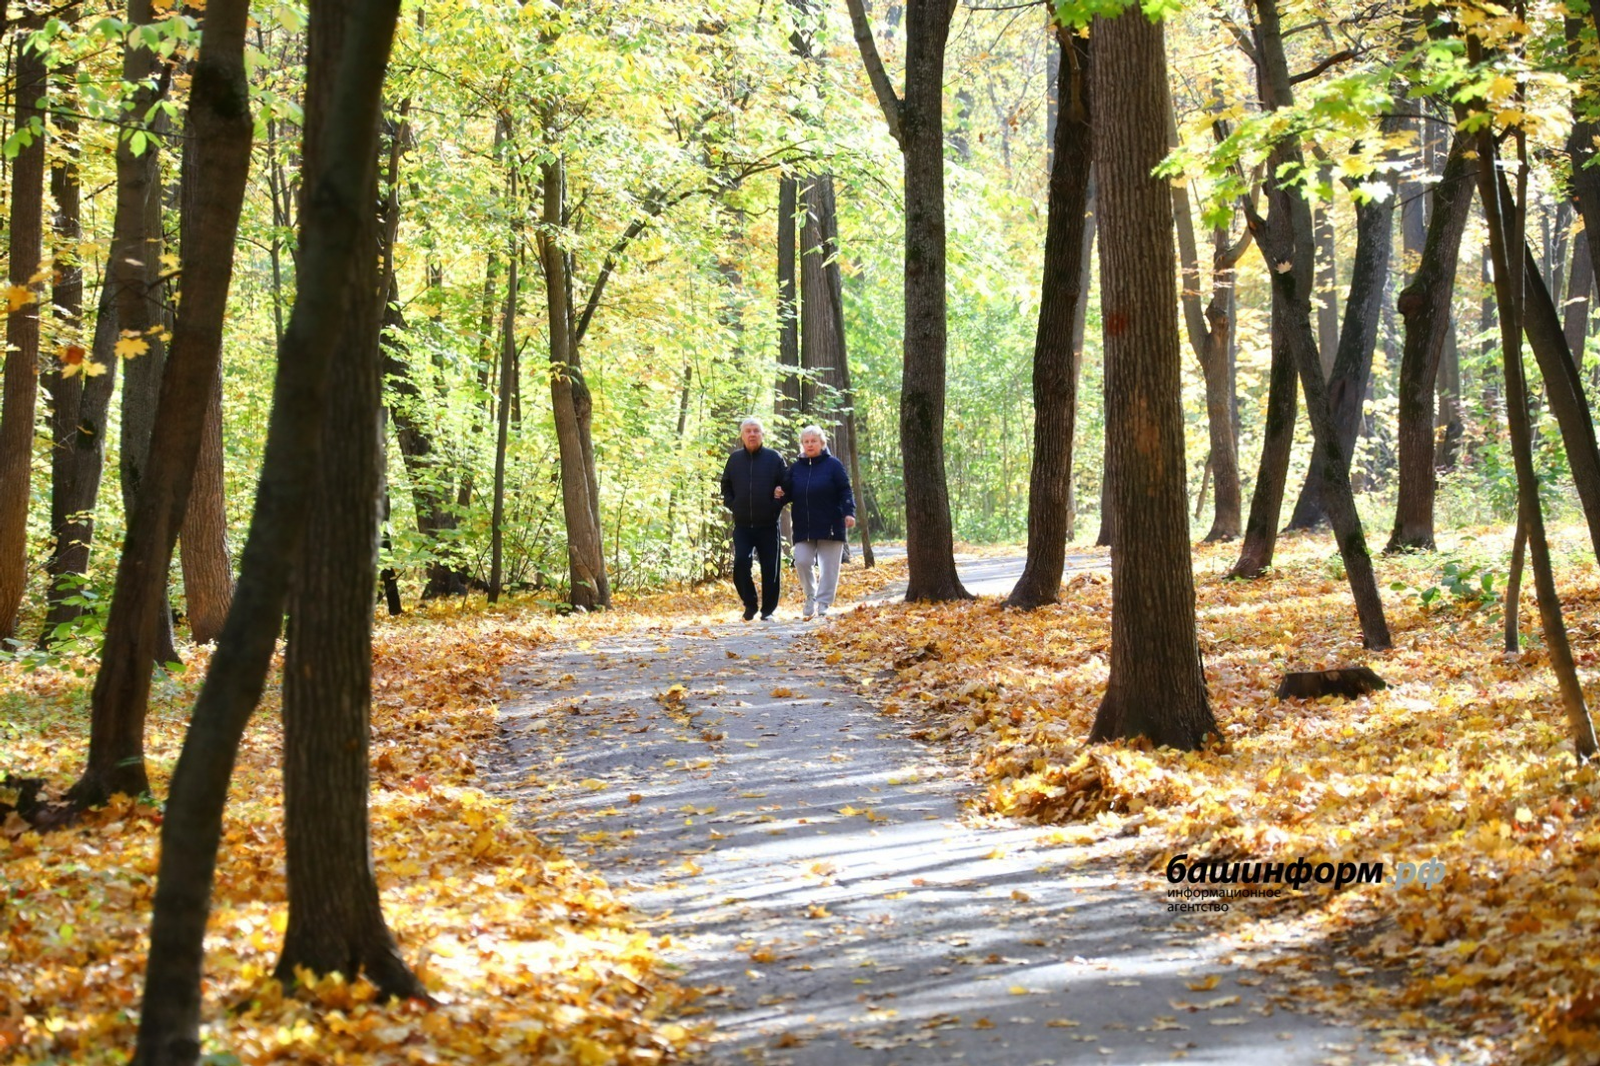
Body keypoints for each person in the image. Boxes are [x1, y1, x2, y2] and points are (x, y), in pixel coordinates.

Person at [783, 425, 856, 620]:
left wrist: (849, 512)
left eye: (813, 441)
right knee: (802, 560)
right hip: (804, 525)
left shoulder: (833, 465)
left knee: (829, 567)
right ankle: (811, 596)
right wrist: (779, 493)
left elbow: (845, 490)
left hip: (830, 523)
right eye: (806, 441)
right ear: (802, 444)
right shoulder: (796, 468)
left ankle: (823, 603)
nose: (810, 445)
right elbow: (787, 492)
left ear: (822, 443)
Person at [719, 417, 788, 621]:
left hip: (768, 524)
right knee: (741, 563)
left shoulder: (774, 458)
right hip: (742, 525)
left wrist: (775, 504)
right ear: (742, 435)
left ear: (762, 434)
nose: (752, 434)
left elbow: (786, 485)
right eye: (748, 431)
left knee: (770, 569)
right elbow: (725, 485)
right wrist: (733, 504)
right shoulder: (734, 460)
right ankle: (750, 604)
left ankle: (768, 610)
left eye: (756, 430)